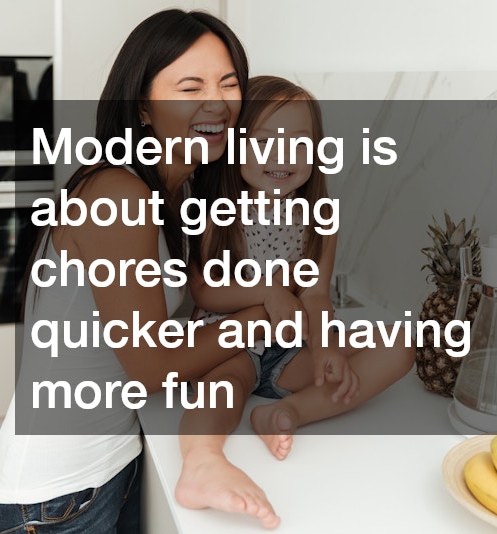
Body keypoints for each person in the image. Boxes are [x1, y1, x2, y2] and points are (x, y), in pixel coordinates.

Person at [0, 9, 281, 533]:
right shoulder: (118, 193)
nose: (218, 101)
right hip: (50, 504)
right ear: (143, 104)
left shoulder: (168, 192)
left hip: (107, 470)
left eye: (229, 83)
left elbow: (180, 310)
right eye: (191, 86)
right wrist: (262, 318)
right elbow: (153, 365)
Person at [174, 76, 415, 526]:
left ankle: (285, 413)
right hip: (229, 342)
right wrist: (269, 292)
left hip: (291, 350)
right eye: (264, 143)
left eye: (299, 144)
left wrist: (325, 349)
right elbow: (204, 290)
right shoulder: (216, 210)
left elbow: (318, 296)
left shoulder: (321, 219)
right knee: (225, 385)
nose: (282, 157)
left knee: (399, 346)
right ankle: (202, 460)